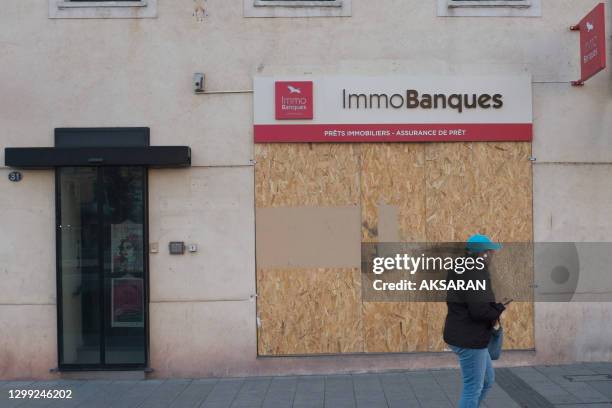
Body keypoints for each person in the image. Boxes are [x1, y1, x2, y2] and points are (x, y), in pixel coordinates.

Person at [443, 234, 507, 408]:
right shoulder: (474, 274)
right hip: (469, 339)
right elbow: (478, 311)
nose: (492, 255)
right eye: (490, 252)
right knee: (473, 387)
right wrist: (499, 307)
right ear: (482, 254)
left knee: (487, 380)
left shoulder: (462, 268)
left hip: (465, 333)